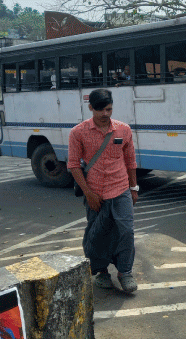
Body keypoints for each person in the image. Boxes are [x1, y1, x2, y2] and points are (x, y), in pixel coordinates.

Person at [68, 88, 139, 292]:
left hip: (121, 189)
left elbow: (130, 161)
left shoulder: (123, 130)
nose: (105, 114)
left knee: (126, 231)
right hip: (95, 193)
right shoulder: (78, 132)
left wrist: (133, 188)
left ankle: (125, 272)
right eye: (100, 110)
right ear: (91, 108)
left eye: (108, 109)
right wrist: (89, 193)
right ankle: (101, 272)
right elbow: (73, 165)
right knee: (98, 234)